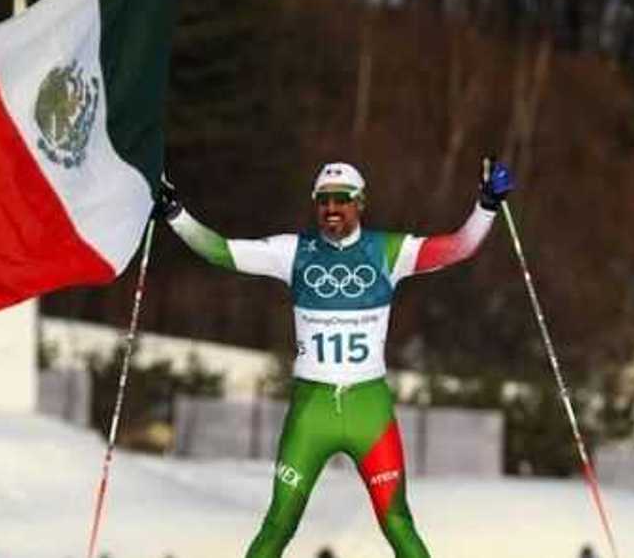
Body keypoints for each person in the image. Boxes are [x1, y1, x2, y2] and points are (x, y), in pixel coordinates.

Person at [154, 159, 514, 558]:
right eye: (323, 201)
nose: (332, 209)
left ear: (361, 203)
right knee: (279, 522)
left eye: (342, 200)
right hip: (313, 410)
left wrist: (487, 205)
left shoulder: (388, 251)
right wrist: (175, 214)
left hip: (368, 409)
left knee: (397, 521)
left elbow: (458, 247)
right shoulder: (293, 251)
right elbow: (220, 251)